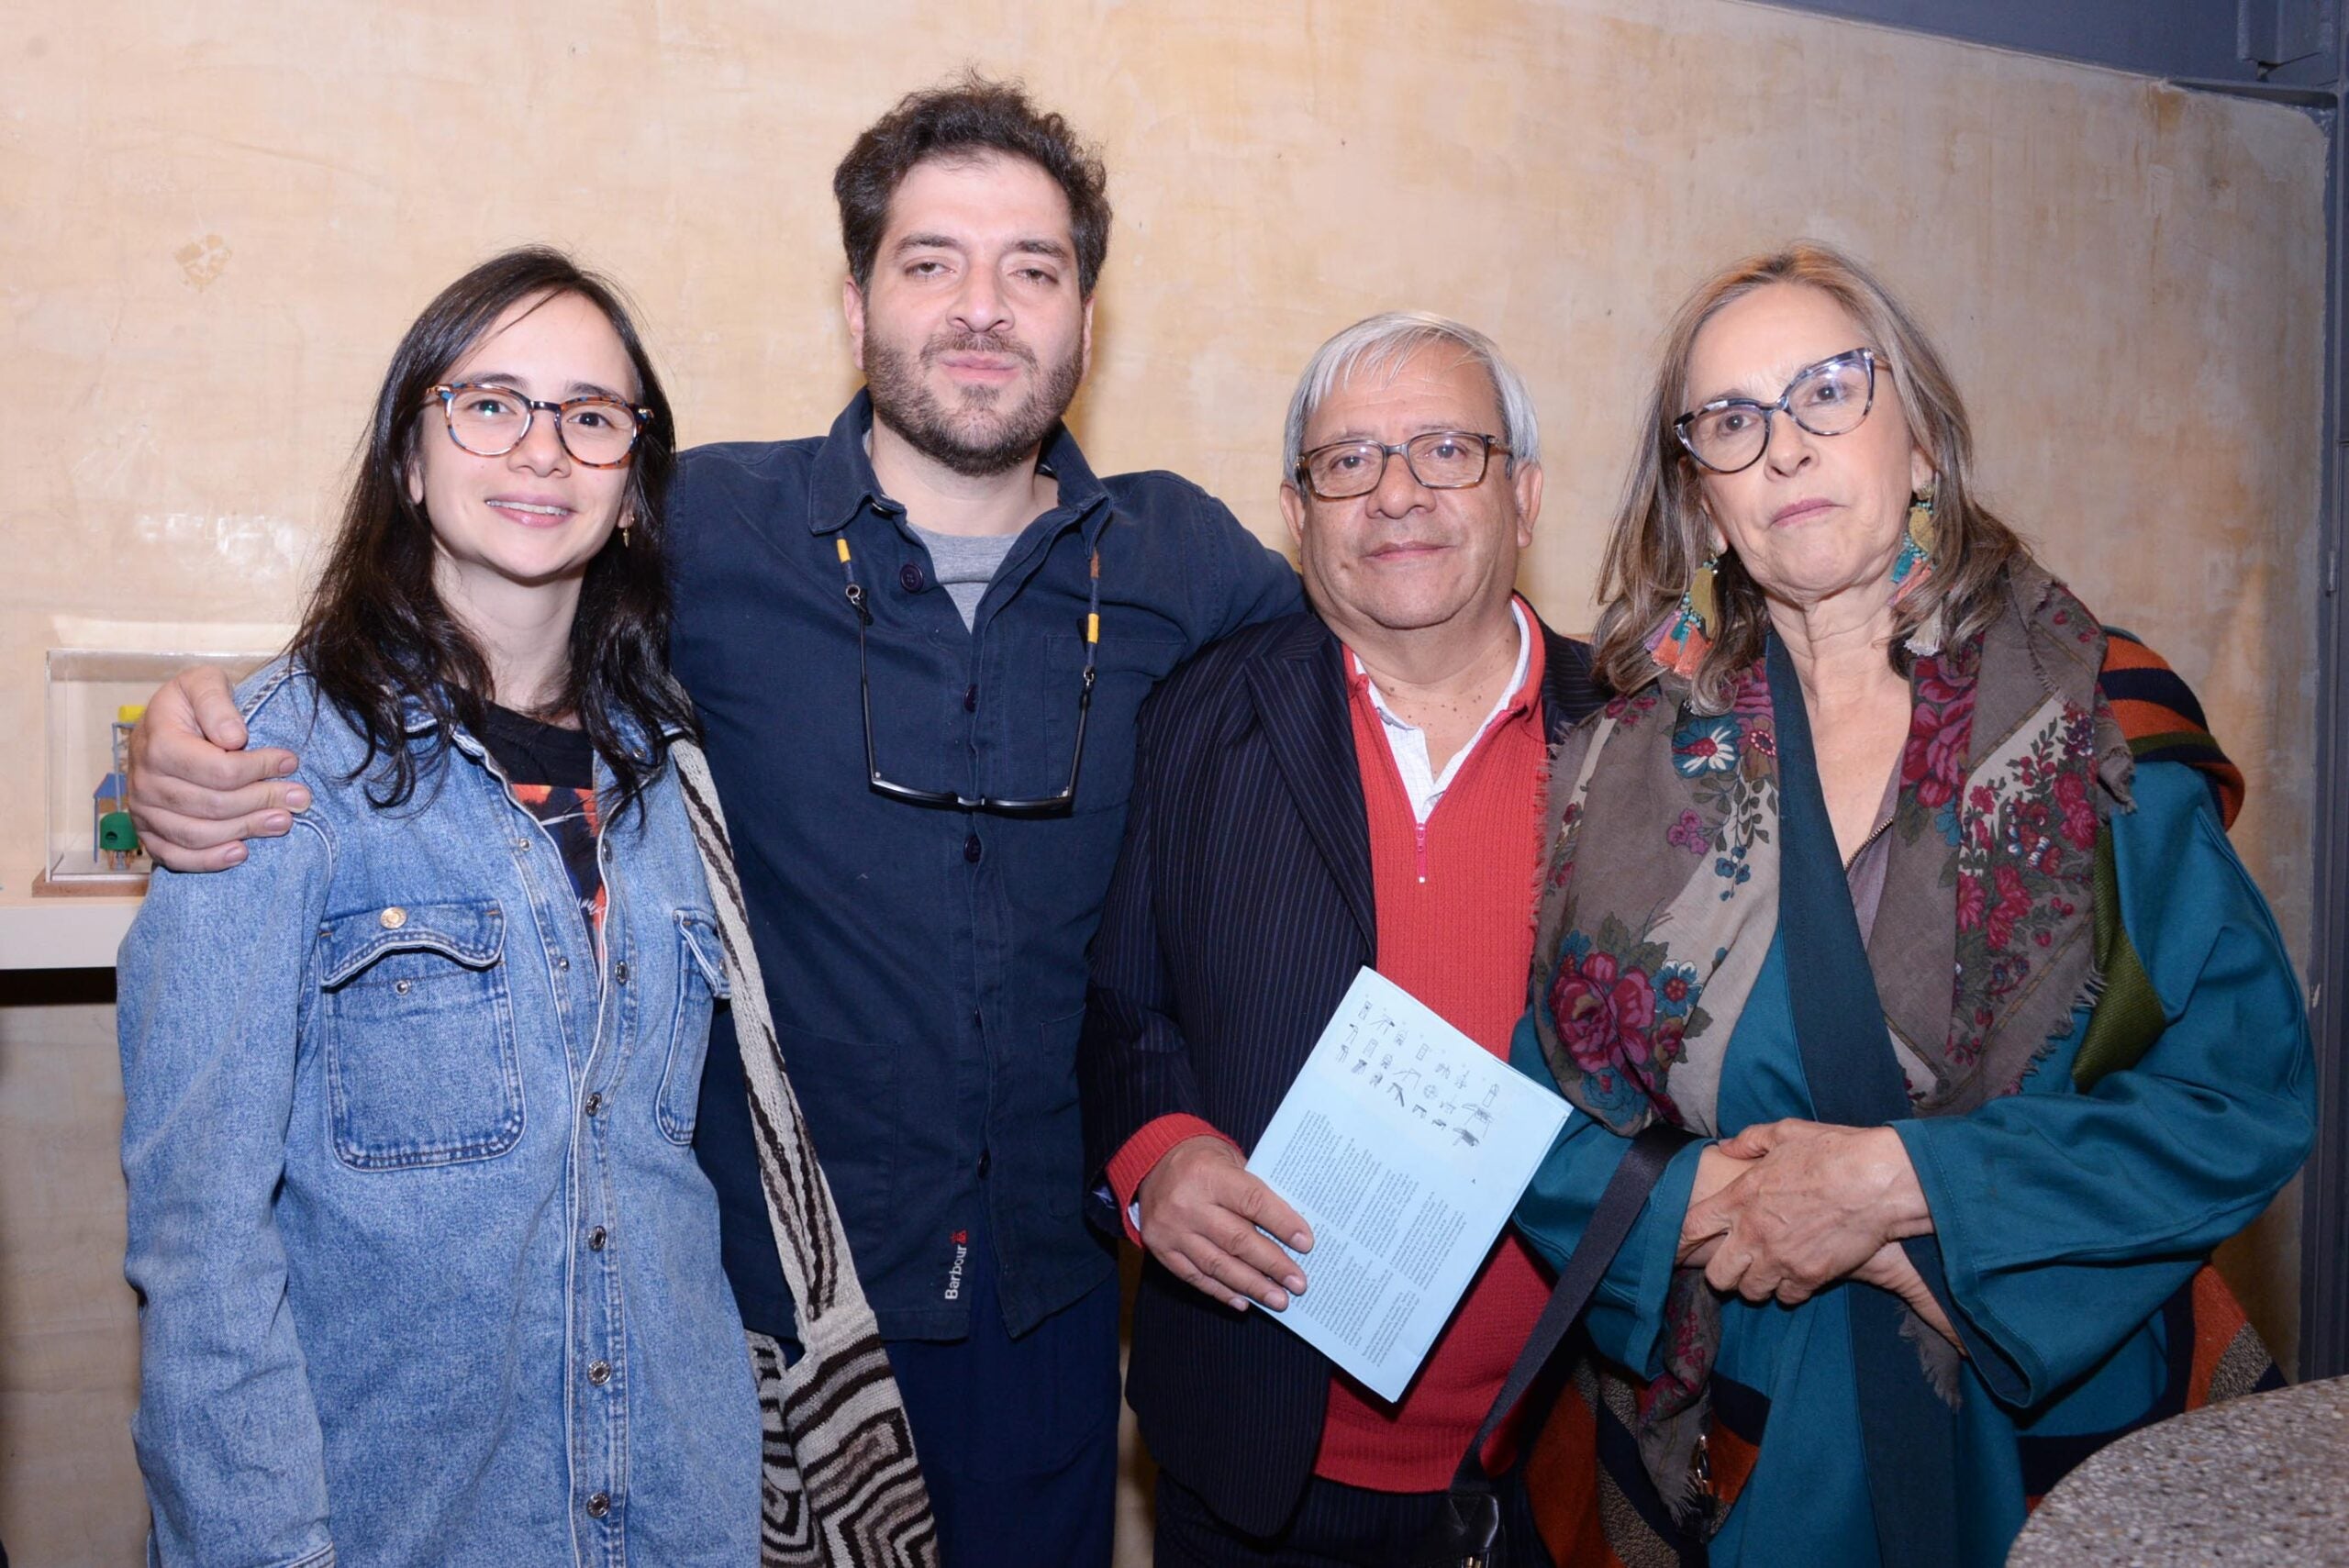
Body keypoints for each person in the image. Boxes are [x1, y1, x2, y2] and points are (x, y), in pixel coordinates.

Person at [122, 78, 1300, 1567]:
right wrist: (194, 727)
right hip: (746, 1331)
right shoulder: (704, 530)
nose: (981, 308)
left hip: (1044, 1323)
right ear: (858, 298)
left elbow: (1384, 678)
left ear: (1086, 311)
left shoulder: (1182, 558)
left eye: (1034, 268)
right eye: (931, 260)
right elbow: (457, 619)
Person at [1508, 240, 2314, 1568]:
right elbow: (1539, 1108)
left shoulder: (2090, 725)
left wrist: (1904, 1188)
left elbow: (2244, 1093)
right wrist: (1693, 1202)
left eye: (1828, 390)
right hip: (1750, 1443)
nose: (1783, 447)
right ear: (1703, 501)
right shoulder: (1619, 762)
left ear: (1922, 437)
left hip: (2048, 1428)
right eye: (1731, 421)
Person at [117, 249, 760, 1563]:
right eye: (489, 401)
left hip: (679, 1515)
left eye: (590, 415)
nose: (541, 449)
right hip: (401, 1525)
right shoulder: (266, 771)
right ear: (410, 456)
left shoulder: (681, 781)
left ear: (633, 489)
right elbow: (202, 1256)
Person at [1079, 313, 1603, 1563]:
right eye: (1349, 461)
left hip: (1555, 1453)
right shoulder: (1202, 716)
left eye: (1445, 450)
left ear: (1523, 494)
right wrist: (1159, 1156)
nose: (1398, 495)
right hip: (1254, 1467)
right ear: (1297, 512)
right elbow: (1119, 1008)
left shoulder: (1646, 739)